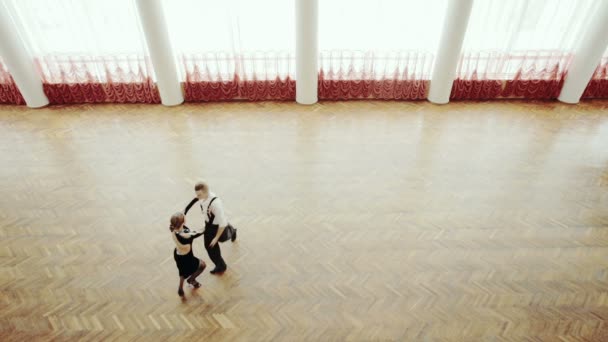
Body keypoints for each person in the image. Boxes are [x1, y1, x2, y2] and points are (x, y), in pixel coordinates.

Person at [184, 181, 237, 275]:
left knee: (223, 238)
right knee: (209, 247)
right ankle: (221, 266)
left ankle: (232, 231)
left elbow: (222, 224)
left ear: (206, 192)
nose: (197, 197)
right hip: (209, 226)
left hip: (219, 227)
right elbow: (195, 200)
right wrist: (184, 211)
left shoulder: (216, 204)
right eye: (197, 194)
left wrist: (216, 238)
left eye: (199, 194)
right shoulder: (202, 197)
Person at [169, 212, 206, 297]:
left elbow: (183, 212)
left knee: (182, 271)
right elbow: (202, 231)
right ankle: (191, 280)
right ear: (183, 222)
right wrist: (206, 223)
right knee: (202, 265)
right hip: (187, 258)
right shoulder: (187, 235)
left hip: (177, 255)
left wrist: (195, 199)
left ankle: (180, 289)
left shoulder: (174, 229)